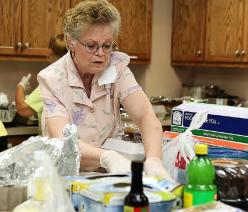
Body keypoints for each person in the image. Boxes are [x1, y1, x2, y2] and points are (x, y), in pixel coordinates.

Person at [37, 0, 171, 179]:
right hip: (66, 178)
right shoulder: (52, 78)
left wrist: (154, 160)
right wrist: (106, 156)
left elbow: (145, 115)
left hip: (108, 177)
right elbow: (62, 139)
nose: (101, 53)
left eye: (107, 45)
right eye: (91, 46)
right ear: (71, 42)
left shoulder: (117, 67)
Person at [15, 34, 67, 133]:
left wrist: (20, 86)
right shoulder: (75, 77)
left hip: (54, 142)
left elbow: (23, 110)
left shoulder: (52, 81)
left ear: (50, 52)